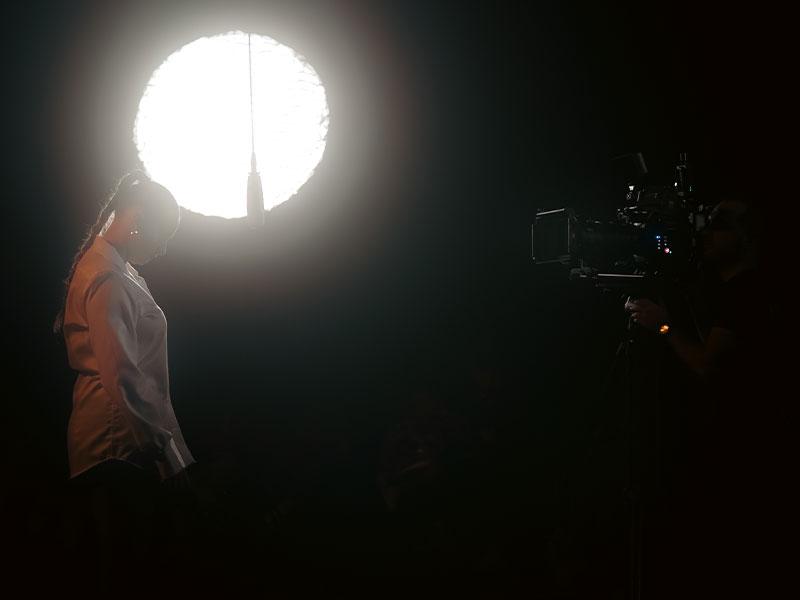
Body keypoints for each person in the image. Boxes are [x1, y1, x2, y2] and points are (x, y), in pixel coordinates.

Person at [624, 198, 791, 596]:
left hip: (742, 455)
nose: (705, 234)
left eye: (719, 225)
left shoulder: (746, 294)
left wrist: (663, 327)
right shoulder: (747, 291)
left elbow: (706, 365)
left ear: (746, 237)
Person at [54, 170, 196, 592]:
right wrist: (166, 455)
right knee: (126, 575)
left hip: (120, 442)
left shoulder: (117, 270)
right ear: (138, 219)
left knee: (127, 571)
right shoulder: (108, 276)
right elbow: (122, 375)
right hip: (118, 444)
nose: (163, 247)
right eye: (163, 234)